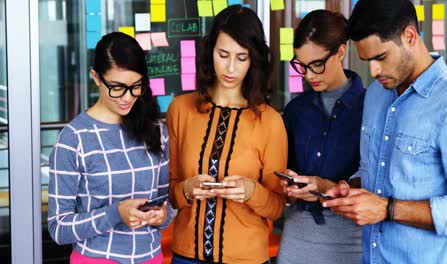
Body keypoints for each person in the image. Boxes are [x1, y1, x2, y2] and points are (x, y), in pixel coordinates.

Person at [322, 0, 447, 263]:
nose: (373, 71)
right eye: (367, 61)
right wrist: (351, 189)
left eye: (381, 57)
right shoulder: (377, 94)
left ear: (410, 36)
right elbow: (376, 171)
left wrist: (387, 209)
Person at [166, 5, 287, 264]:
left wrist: (252, 191)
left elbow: (277, 207)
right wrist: (186, 190)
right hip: (185, 257)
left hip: (247, 259)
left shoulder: (270, 121)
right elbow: (168, 193)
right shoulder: (180, 109)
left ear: (253, 59)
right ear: (210, 51)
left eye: (241, 58)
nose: (230, 68)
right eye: (223, 54)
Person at [47, 32, 172, 264]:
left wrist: (162, 215)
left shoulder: (156, 129)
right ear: (96, 77)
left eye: (136, 86)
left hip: (150, 257)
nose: (127, 97)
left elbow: (165, 203)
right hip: (97, 259)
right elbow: (58, 227)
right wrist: (115, 214)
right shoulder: (74, 138)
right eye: (117, 87)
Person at [276, 10, 364, 264]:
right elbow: (286, 182)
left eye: (316, 64)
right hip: (296, 239)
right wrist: (290, 187)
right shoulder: (296, 110)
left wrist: (328, 187)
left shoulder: (371, 108)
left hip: (350, 243)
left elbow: (379, 183)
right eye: (301, 65)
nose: (308, 75)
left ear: (340, 52)